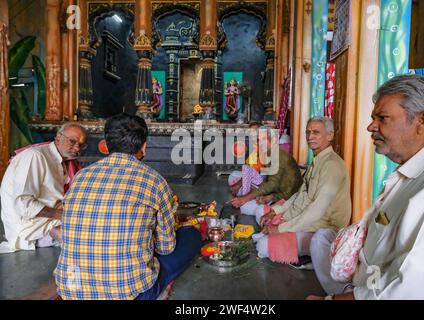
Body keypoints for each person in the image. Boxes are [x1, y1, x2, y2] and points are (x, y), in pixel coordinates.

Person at [307, 75, 424, 300]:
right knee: (321, 240)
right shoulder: (410, 168)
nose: (370, 126)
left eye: (382, 118)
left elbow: (412, 292)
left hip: (367, 293)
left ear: (422, 120)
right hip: (360, 281)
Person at [54, 113, 202, 300]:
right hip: (132, 293)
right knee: (191, 236)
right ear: (144, 146)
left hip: (72, 291)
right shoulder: (154, 180)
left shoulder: (81, 177)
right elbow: (166, 247)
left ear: (106, 146)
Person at [254, 117, 351, 263]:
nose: (310, 136)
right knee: (263, 216)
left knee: (262, 245)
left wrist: (279, 229)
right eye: (308, 132)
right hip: (305, 218)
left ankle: (316, 250)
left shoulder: (332, 165)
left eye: (316, 132)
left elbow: (317, 211)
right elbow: (299, 194)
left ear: (329, 136)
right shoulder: (317, 160)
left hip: (323, 229)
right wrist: (275, 211)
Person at [0, 123, 88, 253]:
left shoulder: (63, 161)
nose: (77, 148)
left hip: (49, 219)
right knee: (83, 235)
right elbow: (23, 204)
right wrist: (62, 215)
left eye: (81, 145)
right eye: (72, 141)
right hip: (28, 226)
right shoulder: (35, 156)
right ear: (58, 137)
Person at [229, 127, 303, 220]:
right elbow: (270, 181)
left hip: (287, 198)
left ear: (273, 140)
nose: (261, 143)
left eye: (264, 139)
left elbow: (272, 185)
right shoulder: (271, 153)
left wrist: (246, 198)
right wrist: (257, 193)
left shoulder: (277, 155)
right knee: (245, 199)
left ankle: (273, 219)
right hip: (277, 193)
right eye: (259, 140)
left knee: (247, 207)